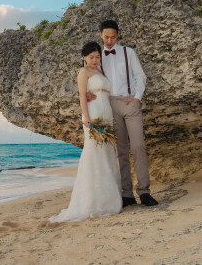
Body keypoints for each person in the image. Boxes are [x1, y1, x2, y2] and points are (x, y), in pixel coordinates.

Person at [88, 20, 159, 207]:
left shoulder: (129, 52)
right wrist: (88, 93)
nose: (109, 41)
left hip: (130, 102)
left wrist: (137, 98)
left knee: (138, 146)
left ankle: (144, 192)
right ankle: (127, 194)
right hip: (110, 104)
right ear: (100, 35)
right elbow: (89, 77)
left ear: (118, 35)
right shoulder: (97, 57)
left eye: (113, 37)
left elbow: (140, 76)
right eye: (106, 37)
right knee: (120, 151)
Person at [50, 41, 122, 222]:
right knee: (94, 153)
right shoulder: (84, 72)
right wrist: (86, 117)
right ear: (84, 57)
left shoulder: (101, 72)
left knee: (107, 153)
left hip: (107, 115)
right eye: (91, 57)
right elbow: (82, 95)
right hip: (93, 115)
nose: (95, 60)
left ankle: (109, 199)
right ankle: (92, 202)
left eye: (97, 57)